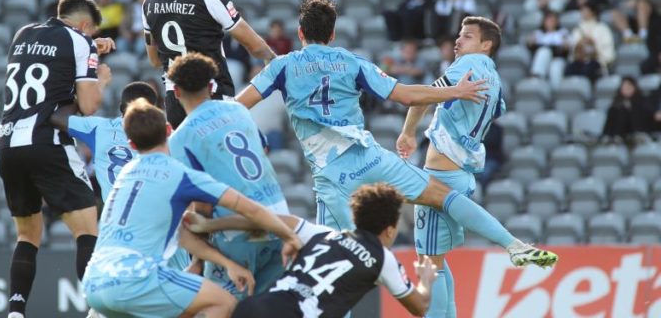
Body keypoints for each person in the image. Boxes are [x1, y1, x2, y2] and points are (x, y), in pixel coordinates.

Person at [237, 0, 558, 268]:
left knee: (336, 268)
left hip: (333, 176)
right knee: (442, 196)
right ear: (333, 34)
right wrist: (453, 92)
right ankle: (512, 244)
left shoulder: (281, 66)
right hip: (371, 158)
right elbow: (406, 95)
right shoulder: (351, 62)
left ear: (300, 32)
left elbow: (239, 105)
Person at [82, 98, 302, 318]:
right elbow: (250, 209)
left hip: (94, 281)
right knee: (222, 303)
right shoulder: (179, 175)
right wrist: (289, 236)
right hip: (136, 278)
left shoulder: (125, 175)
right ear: (169, 130)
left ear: (131, 144)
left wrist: (224, 263)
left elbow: (183, 234)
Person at [0, 0, 115, 318]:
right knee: (88, 227)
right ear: (85, 24)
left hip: (8, 142)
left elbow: (52, 67)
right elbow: (88, 106)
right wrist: (101, 79)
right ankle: (97, 309)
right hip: (46, 140)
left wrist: (92, 46)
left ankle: (16, 311)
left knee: (28, 234)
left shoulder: (23, 35)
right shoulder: (80, 41)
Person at [397, 16, 522, 317]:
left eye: (467, 36)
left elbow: (424, 95)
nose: (458, 41)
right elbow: (498, 109)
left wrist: (408, 132)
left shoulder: (469, 66)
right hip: (462, 172)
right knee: (437, 261)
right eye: (459, 35)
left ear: (485, 44)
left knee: (429, 263)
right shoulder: (493, 77)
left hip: (442, 172)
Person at [189, 183, 438, 318]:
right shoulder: (383, 258)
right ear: (391, 229)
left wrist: (211, 224)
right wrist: (425, 280)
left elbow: (262, 219)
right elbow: (419, 307)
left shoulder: (321, 234)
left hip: (257, 307)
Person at [167, 53, 289, 299]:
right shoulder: (238, 110)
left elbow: (202, 205)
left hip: (238, 235)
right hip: (280, 221)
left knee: (219, 307)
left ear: (176, 92)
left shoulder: (180, 138)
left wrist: (199, 261)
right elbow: (262, 149)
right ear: (212, 86)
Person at [142, 0, 276, 128]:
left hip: (175, 103)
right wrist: (273, 60)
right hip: (212, 97)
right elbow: (255, 46)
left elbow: (153, 60)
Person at [49, 81, 158, 202]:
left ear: (122, 108)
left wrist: (79, 100)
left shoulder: (99, 127)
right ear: (154, 111)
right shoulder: (164, 137)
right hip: (150, 210)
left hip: (113, 214)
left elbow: (56, 118)